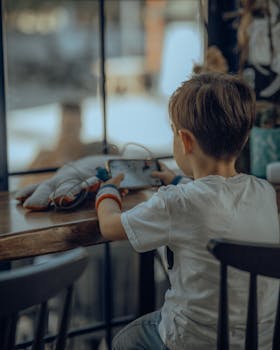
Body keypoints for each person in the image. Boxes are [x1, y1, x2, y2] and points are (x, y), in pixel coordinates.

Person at [95, 73, 280, 349]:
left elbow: (109, 226)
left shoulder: (176, 202)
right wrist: (178, 180)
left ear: (185, 140)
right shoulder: (265, 192)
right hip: (260, 341)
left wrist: (106, 191)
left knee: (125, 339)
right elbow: (216, 199)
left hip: (192, 341)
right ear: (242, 139)